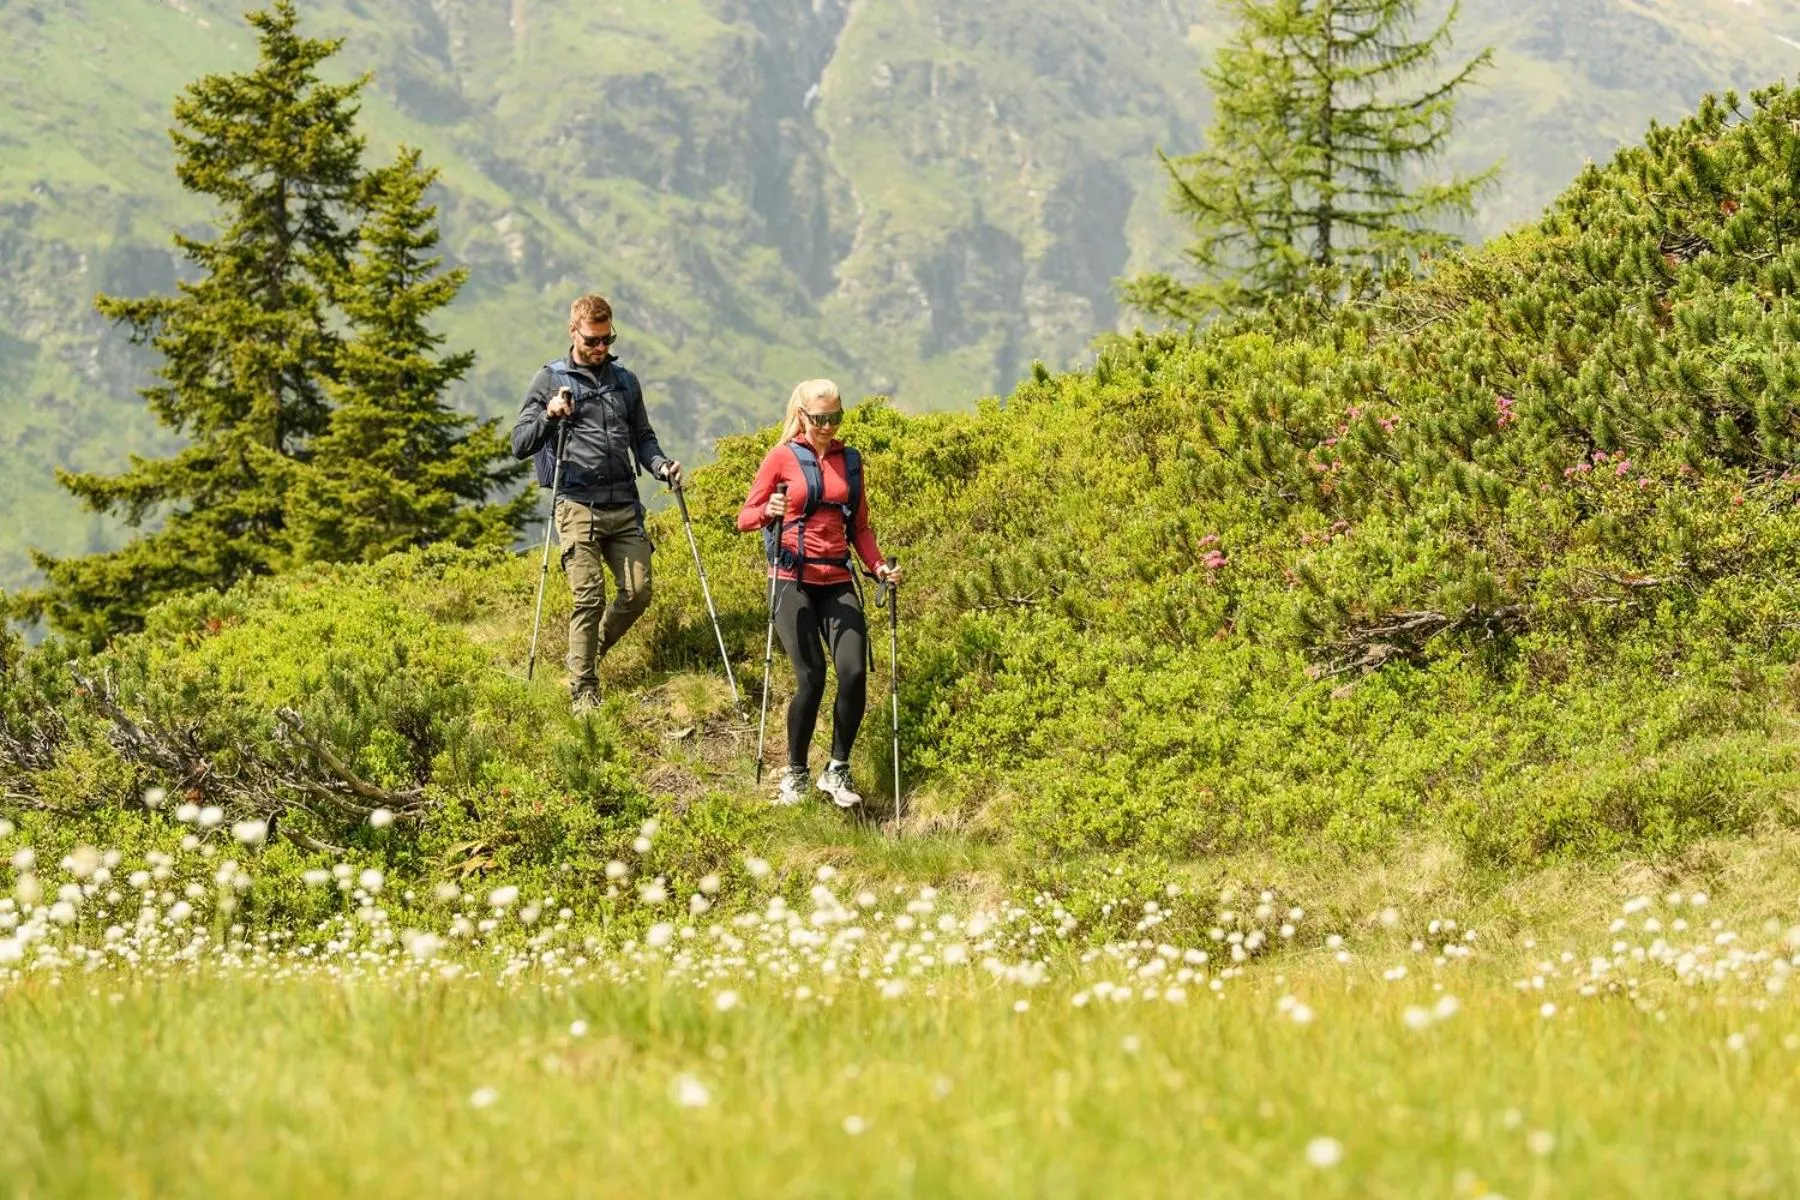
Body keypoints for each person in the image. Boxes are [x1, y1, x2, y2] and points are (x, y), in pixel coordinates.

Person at [512, 295, 681, 713]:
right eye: (592, 340)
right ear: (574, 332)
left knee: (638, 592)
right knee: (587, 596)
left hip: (624, 503)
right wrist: (550, 415)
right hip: (576, 504)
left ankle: (583, 656)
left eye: (607, 339)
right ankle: (583, 689)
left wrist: (660, 466)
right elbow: (519, 443)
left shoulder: (625, 381)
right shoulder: (550, 380)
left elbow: (643, 438)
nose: (601, 348)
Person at [738, 380, 901, 807]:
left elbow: (860, 527)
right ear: (802, 416)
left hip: (838, 579)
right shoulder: (781, 457)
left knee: (853, 672)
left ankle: (837, 769)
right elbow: (744, 517)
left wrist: (879, 566)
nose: (828, 426)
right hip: (791, 581)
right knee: (811, 677)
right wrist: (766, 511)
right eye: (820, 419)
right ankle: (795, 774)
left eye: (836, 417)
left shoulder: (850, 461)